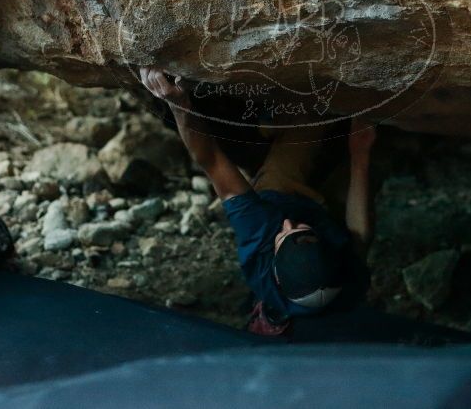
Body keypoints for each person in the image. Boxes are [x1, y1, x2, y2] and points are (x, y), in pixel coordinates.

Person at [139, 67, 376, 335]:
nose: (287, 223)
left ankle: (272, 128)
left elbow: (212, 161)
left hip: (280, 195)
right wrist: (361, 153)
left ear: (274, 270)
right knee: (362, 157)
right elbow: (360, 235)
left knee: (306, 119)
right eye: (299, 227)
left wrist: (178, 103)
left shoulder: (259, 232)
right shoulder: (348, 279)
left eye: (284, 234)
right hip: (325, 216)